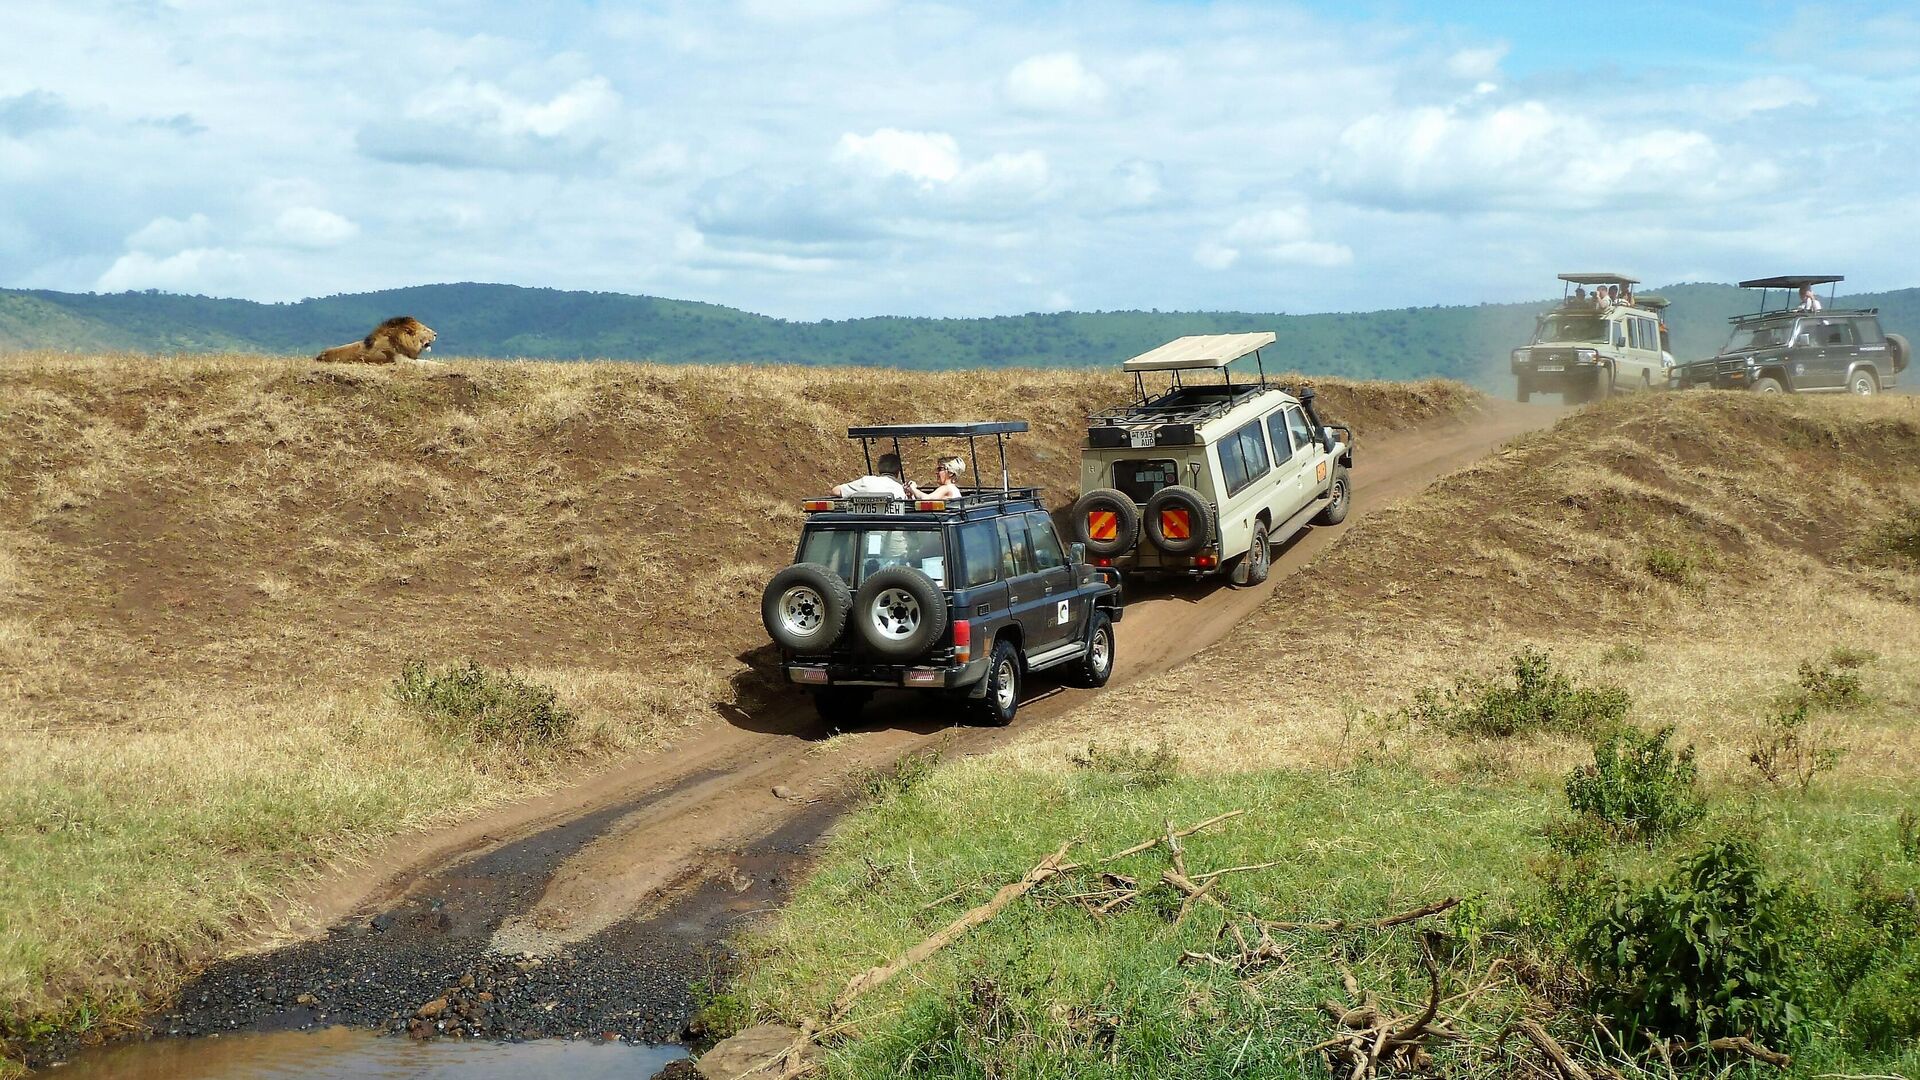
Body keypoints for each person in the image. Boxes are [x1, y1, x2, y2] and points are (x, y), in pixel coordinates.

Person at [834, 452, 906, 498]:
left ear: (879, 469)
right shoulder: (902, 489)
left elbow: (836, 491)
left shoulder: (866, 481)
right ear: (898, 471)